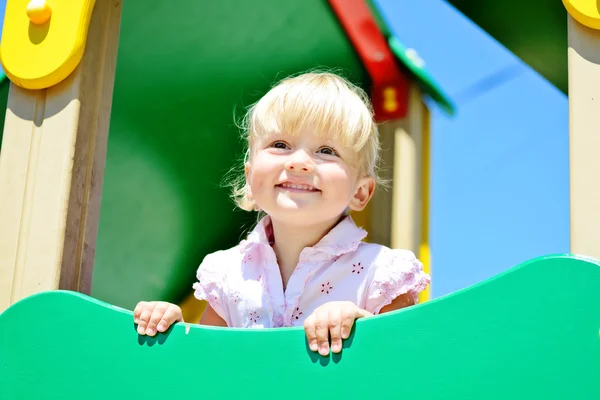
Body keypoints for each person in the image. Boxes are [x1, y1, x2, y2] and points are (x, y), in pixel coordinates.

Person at [133, 71, 430, 356]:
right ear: (250, 177)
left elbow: (404, 363)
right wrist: (174, 330)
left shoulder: (381, 271)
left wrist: (360, 323)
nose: (299, 162)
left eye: (326, 150)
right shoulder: (227, 274)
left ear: (360, 192)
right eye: (280, 145)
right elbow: (208, 366)